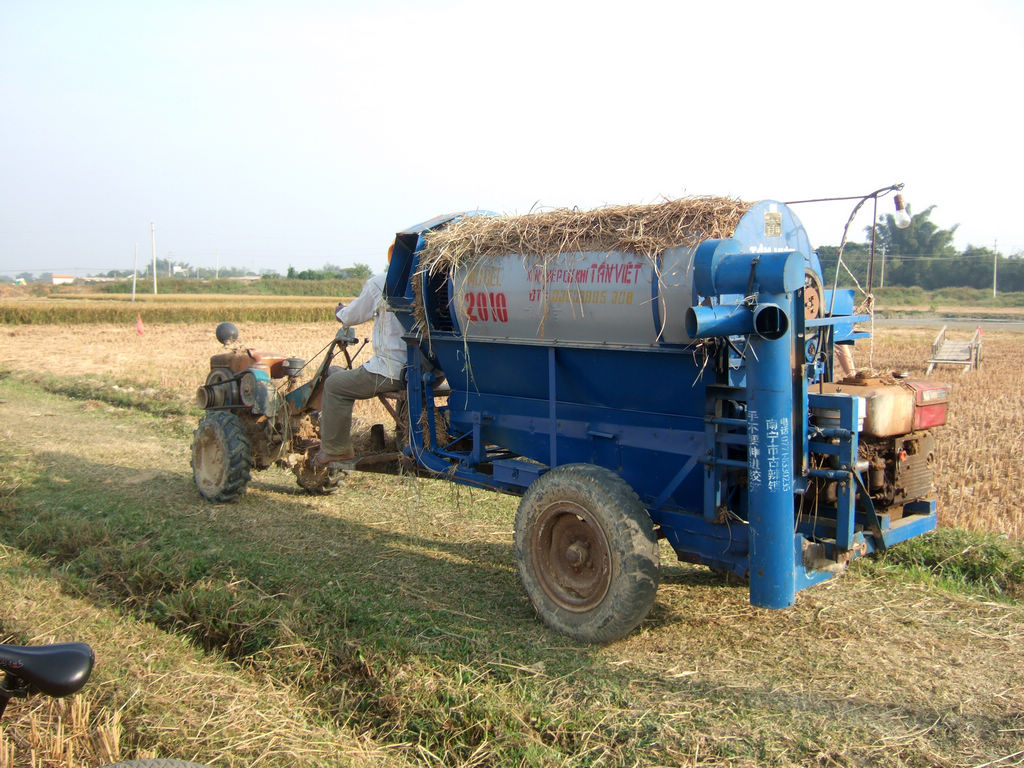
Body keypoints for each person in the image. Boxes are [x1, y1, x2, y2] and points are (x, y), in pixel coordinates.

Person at [315, 261, 405, 465]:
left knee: (335, 385)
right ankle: (404, 437)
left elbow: (352, 316)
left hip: (392, 370)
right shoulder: (434, 281)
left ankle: (336, 450)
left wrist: (341, 312)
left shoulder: (382, 283)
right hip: (431, 371)